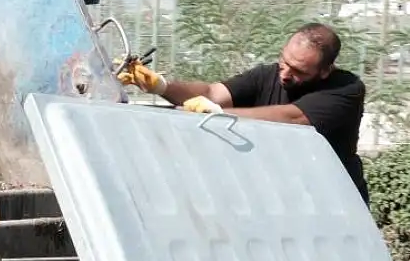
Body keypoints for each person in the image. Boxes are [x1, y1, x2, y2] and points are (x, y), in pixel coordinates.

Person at [118, 23, 369, 205]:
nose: (284, 74)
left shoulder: (346, 89)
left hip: (336, 202)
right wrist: (159, 85)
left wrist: (219, 115)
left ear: (325, 70)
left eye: (298, 71)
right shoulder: (266, 76)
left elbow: (294, 118)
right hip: (285, 201)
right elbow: (212, 93)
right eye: (284, 61)